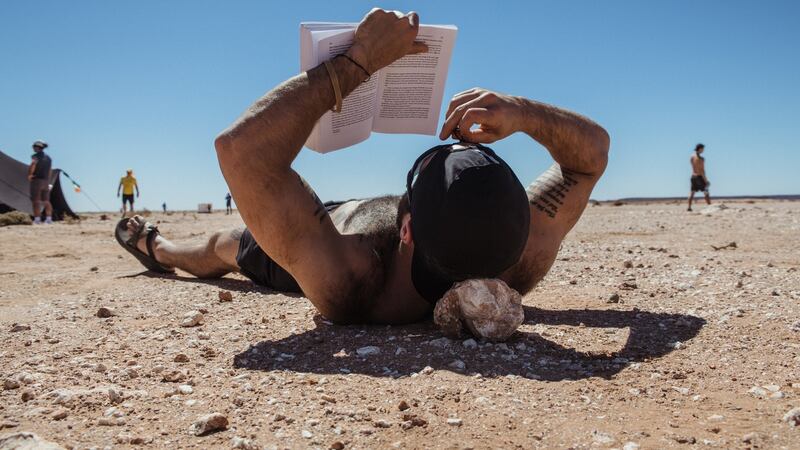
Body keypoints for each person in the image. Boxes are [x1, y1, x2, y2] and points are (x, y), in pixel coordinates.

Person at [115, 8, 609, 326]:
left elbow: (240, 151)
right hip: (372, 223)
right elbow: (590, 158)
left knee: (223, 246)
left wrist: (358, 61)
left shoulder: (354, 283)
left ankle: (155, 247)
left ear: (409, 227)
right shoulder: (519, 256)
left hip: (326, 232)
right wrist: (521, 111)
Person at [28, 140, 53, 224]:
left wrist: (30, 174)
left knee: (36, 201)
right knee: (46, 201)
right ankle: (49, 219)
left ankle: (37, 219)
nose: (33, 148)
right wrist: (48, 180)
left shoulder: (35, 156)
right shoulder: (49, 158)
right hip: (45, 181)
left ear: (37, 147)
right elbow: (50, 170)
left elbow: (33, 164)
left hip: (37, 180)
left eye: (33, 147)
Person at [687, 143, 710, 211]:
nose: (703, 150)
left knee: (692, 192)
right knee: (706, 191)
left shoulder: (692, 157)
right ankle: (710, 206)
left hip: (693, 176)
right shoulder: (701, 159)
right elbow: (702, 170)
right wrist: (706, 180)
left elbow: (693, 166)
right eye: (703, 149)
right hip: (700, 177)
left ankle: (689, 207)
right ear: (700, 149)